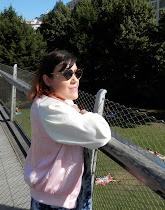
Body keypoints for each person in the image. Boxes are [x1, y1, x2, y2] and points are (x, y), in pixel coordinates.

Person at [24, 50, 111, 210]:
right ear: (47, 80)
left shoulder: (57, 102)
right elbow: (100, 134)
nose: (74, 80)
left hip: (58, 192)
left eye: (76, 73)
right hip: (55, 200)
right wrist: (88, 115)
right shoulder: (50, 108)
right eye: (66, 73)